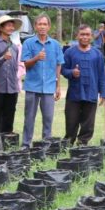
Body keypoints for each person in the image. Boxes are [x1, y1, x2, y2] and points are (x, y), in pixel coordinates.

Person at [21, 14, 64, 148]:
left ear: (49, 27)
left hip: (49, 87)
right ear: (35, 26)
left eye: (45, 24)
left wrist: (58, 86)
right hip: (32, 86)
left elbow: (58, 65)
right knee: (29, 118)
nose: (42, 27)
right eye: (39, 24)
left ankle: (46, 145)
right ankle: (26, 144)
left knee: (48, 119)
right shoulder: (28, 43)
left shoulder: (56, 45)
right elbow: (26, 64)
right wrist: (36, 58)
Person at [61, 24, 105, 145]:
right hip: (74, 94)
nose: (84, 37)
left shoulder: (97, 54)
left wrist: (103, 93)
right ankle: (68, 143)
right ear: (77, 36)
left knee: (88, 123)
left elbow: (102, 75)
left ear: (92, 37)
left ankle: (82, 144)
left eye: (87, 34)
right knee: (71, 121)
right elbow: (62, 69)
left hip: (91, 93)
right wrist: (72, 72)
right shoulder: (70, 52)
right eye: (82, 34)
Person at [0, 14, 22, 135]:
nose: (11, 28)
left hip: (12, 88)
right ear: (1, 28)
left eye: (12, 26)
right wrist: (3, 58)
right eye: (8, 25)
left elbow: (15, 68)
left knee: (9, 118)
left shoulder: (15, 47)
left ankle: (6, 145)